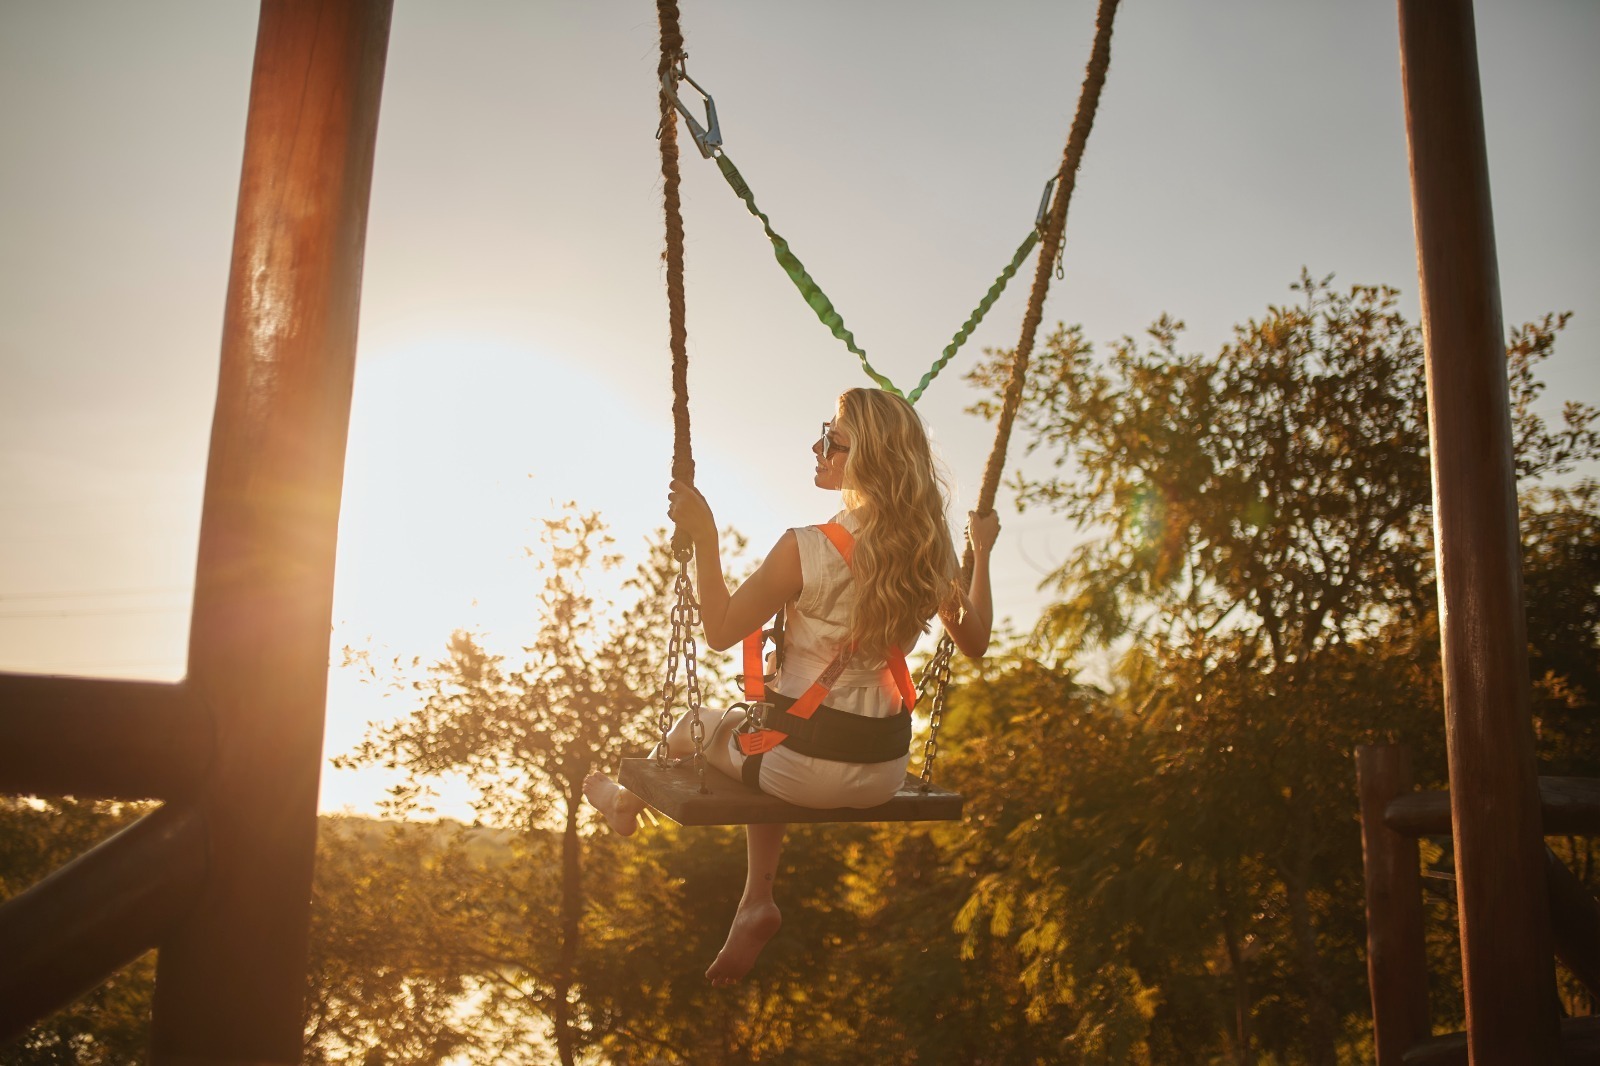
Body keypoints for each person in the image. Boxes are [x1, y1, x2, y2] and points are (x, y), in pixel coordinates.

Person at [584, 387, 998, 985]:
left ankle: (623, 805)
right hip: (882, 770)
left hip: (803, 763)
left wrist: (705, 538)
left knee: (702, 728)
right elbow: (977, 639)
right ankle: (756, 900)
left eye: (832, 439)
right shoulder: (928, 551)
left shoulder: (806, 548)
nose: (817, 446)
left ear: (870, 460)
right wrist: (979, 553)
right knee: (768, 732)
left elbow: (723, 630)